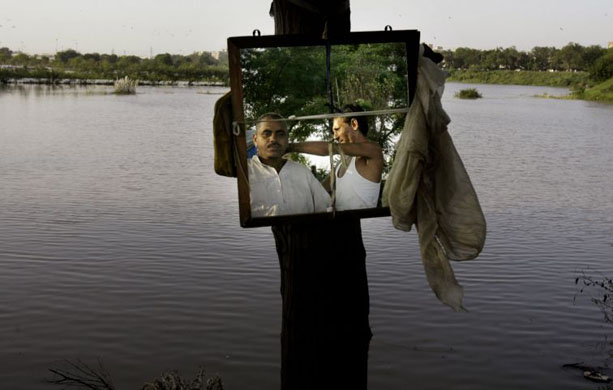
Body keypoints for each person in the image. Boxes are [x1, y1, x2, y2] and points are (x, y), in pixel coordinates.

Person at [287, 104, 383, 211]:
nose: (335, 136)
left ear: (354, 124)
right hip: (341, 226)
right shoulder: (342, 162)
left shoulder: (374, 151)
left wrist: (290, 147)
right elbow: (320, 191)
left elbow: (330, 148)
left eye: (337, 129)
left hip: (362, 226)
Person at [248, 113, 331, 217]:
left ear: (287, 139)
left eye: (280, 134)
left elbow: (325, 209)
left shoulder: (302, 172)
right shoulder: (244, 173)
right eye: (267, 133)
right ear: (255, 140)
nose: (273, 139)